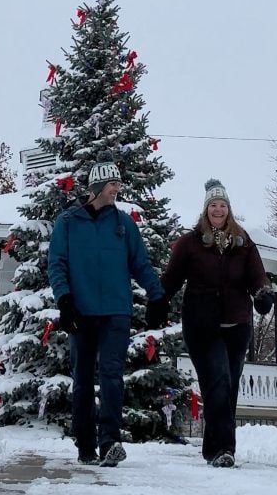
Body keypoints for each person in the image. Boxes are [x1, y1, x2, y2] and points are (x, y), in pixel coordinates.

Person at [48, 152, 167, 467]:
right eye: (112, 183)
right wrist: (64, 301)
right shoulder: (68, 222)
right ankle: (86, 445)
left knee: (113, 376)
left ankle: (110, 442)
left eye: (118, 183)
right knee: (83, 380)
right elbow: (56, 264)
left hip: (116, 311)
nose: (117, 188)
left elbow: (140, 264)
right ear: (97, 186)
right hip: (81, 312)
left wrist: (157, 296)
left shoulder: (123, 224)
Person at [160, 178, 275, 468]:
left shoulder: (243, 242)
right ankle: (226, 448)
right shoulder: (190, 243)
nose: (218, 209)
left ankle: (213, 448)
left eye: (223, 205)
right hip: (202, 326)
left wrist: (262, 294)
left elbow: (257, 275)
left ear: (229, 209)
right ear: (206, 209)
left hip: (237, 325)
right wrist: (158, 301)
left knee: (228, 387)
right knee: (218, 382)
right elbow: (172, 278)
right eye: (213, 205)